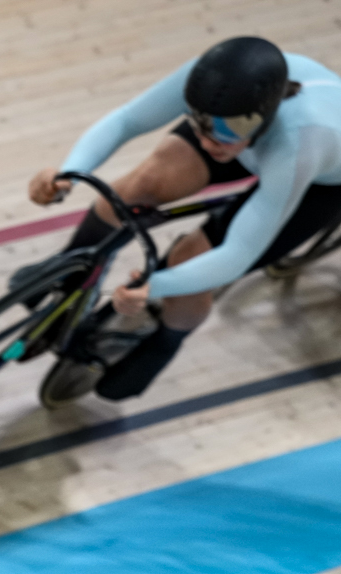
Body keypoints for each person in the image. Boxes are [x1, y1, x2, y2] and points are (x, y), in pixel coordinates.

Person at [27, 37, 341, 399]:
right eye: (201, 124)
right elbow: (127, 120)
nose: (210, 142)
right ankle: (69, 275)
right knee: (138, 187)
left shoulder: (297, 144)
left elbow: (235, 254)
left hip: (321, 183)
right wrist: (69, 172)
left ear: (264, 117)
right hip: (251, 145)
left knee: (190, 260)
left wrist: (153, 288)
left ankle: (166, 341)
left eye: (226, 131)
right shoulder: (214, 85)